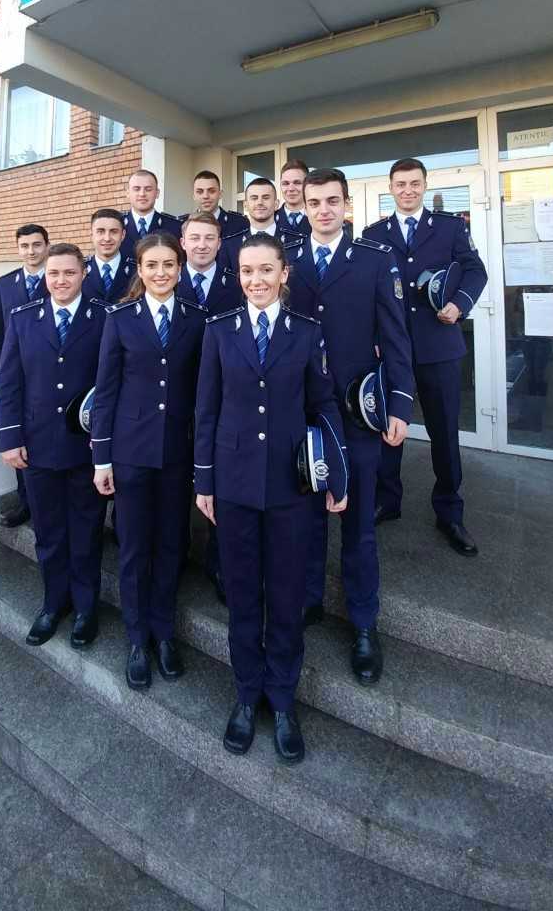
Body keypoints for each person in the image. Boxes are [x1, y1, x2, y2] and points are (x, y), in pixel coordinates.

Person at [194, 233, 347, 764]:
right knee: (241, 597)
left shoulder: (306, 332)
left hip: (290, 487)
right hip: (234, 486)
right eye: (246, 271)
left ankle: (282, 699)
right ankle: (245, 694)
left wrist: (338, 474)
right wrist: (204, 482)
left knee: (285, 597)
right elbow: (206, 412)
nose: (255, 280)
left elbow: (324, 405)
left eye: (265, 270)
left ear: (284, 274)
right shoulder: (219, 331)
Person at [288, 169, 415, 685]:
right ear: (304, 206)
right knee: (306, 516)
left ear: (346, 206)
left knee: (359, 524)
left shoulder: (374, 260)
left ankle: (364, 623)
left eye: (331, 201)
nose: (323, 210)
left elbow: (396, 336)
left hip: (358, 414)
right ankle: (309, 600)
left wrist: (400, 404)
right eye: (314, 201)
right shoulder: (287, 260)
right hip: (303, 414)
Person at [91, 233, 207, 691]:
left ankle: (164, 633)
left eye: (169, 264)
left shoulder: (197, 319)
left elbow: (204, 393)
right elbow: (105, 393)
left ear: (180, 268)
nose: (161, 272)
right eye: (152, 265)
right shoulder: (120, 318)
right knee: (135, 548)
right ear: (139, 270)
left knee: (171, 545)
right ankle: (137, 639)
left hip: (177, 453)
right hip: (130, 453)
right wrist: (102, 459)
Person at [364, 158, 488, 556]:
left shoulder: (450, 227)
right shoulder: (373, 234)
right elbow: (366, 291)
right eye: (400, 184)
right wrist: (372, 337)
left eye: (414, 183)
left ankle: (449, 511)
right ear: (390, 188)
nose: (407, 190)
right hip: (391, 348)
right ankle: (387, 499)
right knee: (388, 428)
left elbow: (476, 271)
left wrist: (460, 304)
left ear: (424, 185)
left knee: (444, 431)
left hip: (439, 346)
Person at [0, 243, 108, 649]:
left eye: (69, 273)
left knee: (86, 532)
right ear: (45, 276)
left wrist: (105, 447)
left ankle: (86, 608)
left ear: (84, 275)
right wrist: (10, 438)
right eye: (54, 273)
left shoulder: (104, 318)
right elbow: (9, 383)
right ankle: (53, 604)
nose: (61, 280)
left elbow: (110, 385)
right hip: (38, 447)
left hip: (86, 449)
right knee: (48, 533)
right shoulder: (24, 318)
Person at [178, 210, 242, 603]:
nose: (202, 245)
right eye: (195, 238)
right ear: (182, 242)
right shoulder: (166, 279)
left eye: (209, 238)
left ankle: (220, 563)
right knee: (176, 479)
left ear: (220, 244)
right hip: (175, 397)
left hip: (225, 398)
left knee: (220, 479)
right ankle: (177, 554)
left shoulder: (237, 284)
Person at [0, 222, 50, 528]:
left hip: (48, 373)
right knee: (17, 437)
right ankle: (26, 503)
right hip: (15, 377)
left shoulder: (59, 278)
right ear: (18, 249)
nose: (31, 251)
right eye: (25, 246)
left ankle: (48, 504)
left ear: (47, 246)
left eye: (36, 245)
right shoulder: (5, 283)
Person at [221, 177, 302, 271]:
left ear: (276, 204)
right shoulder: (230, 245)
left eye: (266, 198)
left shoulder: (297, 242)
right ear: (245, 205)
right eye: (254, 198)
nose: (260, 202)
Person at [120, 169, 181, 257]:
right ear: (128, 193)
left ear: (157, 193)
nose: (142, 194)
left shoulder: (175, 227)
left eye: (148, 189)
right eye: (136, 189)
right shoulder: (117, 225)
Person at [82, 208, 135, 304]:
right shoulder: (79, 270)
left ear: (123, 235)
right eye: (100, 231)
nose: (107, 238)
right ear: (92, 235)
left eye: (114, 232)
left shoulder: (136, 271)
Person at [178, 169, 247, 236]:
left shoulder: (240, 223)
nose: (205, 196)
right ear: (194, 196)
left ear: (220, 194)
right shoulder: (181, 223)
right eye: (200, 192)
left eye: (212, 191)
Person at [276, 159, 311, 237]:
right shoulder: (270, 219)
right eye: (285, 183)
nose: (291, 189)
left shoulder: (319, 218)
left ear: (307, 185)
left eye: (297, 183)